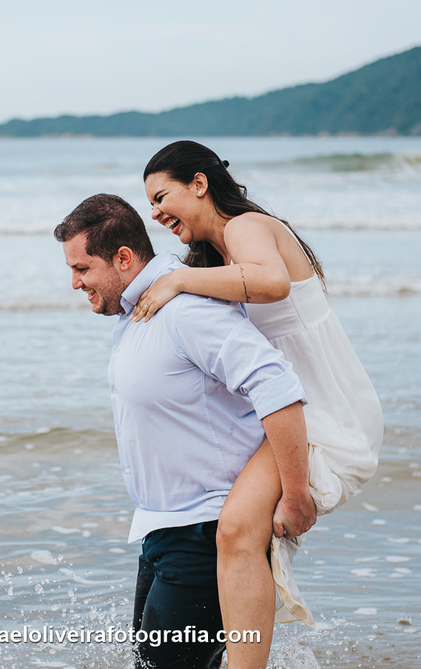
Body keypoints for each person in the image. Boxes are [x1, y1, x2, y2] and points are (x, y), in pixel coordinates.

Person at [137, 140, 384, 668]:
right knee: (231, 533)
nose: (155, 213)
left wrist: (177, 279)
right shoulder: (219, 256)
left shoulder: (245, 227)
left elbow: (272, 283)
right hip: (292, 405)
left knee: (235, 530)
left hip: (318, 411)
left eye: (161, 197)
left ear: (199, 184)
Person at [54, 193, 316, 669]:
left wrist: (295, 494)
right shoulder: (141, 311)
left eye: (82, 269)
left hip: (205, 535)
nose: (75, 283)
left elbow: (275, 382)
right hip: (163, 532)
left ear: (123, 258)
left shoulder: (185, 310)